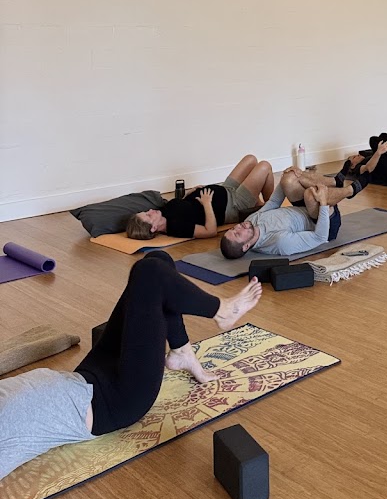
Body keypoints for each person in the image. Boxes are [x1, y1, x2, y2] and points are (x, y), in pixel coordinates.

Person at [0, 251, 262, 481]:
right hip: (116, 400)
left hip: (86, 377)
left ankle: (182, 351)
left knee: (158, 260)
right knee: (150, 273)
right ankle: (222, 312)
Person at [219, 166, 367, 259]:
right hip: (324, 224)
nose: (238, 227)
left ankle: (335, 182)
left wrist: (286, 177)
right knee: (310, 195)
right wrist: (323, 203)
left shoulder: (251, 221)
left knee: (290, 178)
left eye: (233, 229)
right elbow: (320, 237)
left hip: (304, 208)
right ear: (246, 246)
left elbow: (273, 202)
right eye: (237, 234)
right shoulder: (279, 243)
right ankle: (350, 191)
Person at [126, 154, 274, 240]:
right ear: (153, 228)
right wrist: (207, 203)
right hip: (233, 205)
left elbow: (185, 207)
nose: (150, 210)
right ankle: (271, 207)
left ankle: (257, 205)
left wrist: (190, 194)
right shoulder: (176, 228)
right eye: (148, 215)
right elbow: (210, 231)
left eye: (146, 211)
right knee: (264, 166)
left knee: (250, 159)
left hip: (225, 189)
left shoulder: (164, 211)